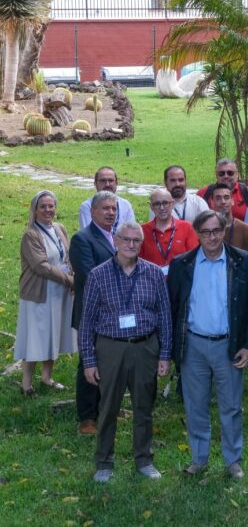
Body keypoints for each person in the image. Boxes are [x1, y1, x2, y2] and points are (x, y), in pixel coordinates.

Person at [79, 221, 173, 483]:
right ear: (116, 241)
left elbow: (165, 315)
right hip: (111, 347)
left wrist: (165, 354)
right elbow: (87, 321)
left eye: (136, 241)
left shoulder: (154, 274)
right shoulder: (98, 275)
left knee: (144, 406)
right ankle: (104, 463)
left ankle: (144, 459)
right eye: (126, 240)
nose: (131, 245)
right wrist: (88, 360)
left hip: (145, 347)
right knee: (108, 407)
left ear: (140, 244)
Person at [168, 210, 248, 479]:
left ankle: (233, 461)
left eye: (216, 231)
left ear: (224, 230)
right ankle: (199, 459)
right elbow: (174, 308)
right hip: (193, 345)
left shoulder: (240, 261)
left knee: (230, 406)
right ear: (197, 233)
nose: (211, 237)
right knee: (195, 405)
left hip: (228, 346)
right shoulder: (182, 264)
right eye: (205, 232)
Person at [16, 190, 75, 395]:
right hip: (39, 293)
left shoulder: (59, 228)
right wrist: (69, 280)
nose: (48, 210)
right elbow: (41, 266)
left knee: (54, 333)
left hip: (59, 291)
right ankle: (26, 384)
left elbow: (66, 256)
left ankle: (47, 377)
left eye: (51, 206)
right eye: (43, 206)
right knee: (36, 336)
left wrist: (72, 274)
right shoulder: (31, 234)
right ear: (35, 209)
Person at [69, 191, 119, 435]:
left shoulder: (115, 237)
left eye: (114, 209)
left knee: (109, 362)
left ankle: (105, 408)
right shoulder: (82, 239)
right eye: (106, 208)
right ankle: (87, 417)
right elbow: (90, 277)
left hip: (114, 315)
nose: (111, 212)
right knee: (88, 363)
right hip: (92, 314)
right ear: (93, 211)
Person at [140, 188, 199, 273]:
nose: (162, 208)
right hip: (151, 281)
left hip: (179, 281)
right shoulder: (142, 230)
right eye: (157, 204)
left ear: (172, 204)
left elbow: (194, 259)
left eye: (165, 203)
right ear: (151, 207)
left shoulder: (187, 228)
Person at [207, 182, 248, 261]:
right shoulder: (206, 230)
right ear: (212, 203)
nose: (223, 201)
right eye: (218, 198)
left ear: (232, 201)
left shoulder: (245, 229)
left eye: (226, 197)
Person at [78, 166, 137, 231]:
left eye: (111, 180)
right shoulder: (87, 206)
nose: (107, 184)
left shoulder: (125, 205)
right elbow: (89, 236)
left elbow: (132, 231)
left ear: (116, 183)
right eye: (103, 181)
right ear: (95, 184)